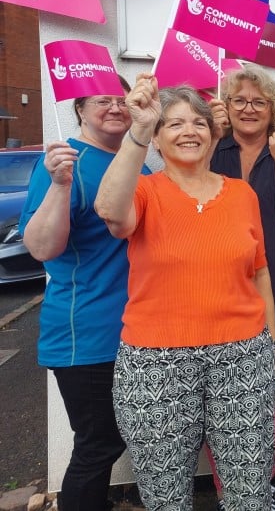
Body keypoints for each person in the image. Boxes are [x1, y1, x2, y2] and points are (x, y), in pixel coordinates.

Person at [94, 79, 275, 511]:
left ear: (215, 134)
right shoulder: (143, 190)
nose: (189, 131)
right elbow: (110, 212)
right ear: (157, 137)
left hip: (242, 357)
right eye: (173, 123)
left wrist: (269, 334)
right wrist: (135, 131)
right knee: (165, 496)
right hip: (155, 362)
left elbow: (260, 267)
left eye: (199, 122)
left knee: (250, 492)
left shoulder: (241, 194)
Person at [20, 84, 147, 511]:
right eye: (101, 100)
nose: (114, 107)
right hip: (86, 333)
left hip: (136, 330)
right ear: (80, 109)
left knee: (120, 438)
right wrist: (58, 186)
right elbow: (40, 248)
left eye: (121, 100)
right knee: (99, 445)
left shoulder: (136, 166)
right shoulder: (65, 162)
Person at [208, 65, 275, 511]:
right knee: (218, 409)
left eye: (259, 101)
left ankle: (257, 487)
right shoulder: (209, 148)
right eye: (240, 100)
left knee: (273, 403)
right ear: (226, 108)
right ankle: (228, 493)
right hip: (215, 295)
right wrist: (210, 136)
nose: (249, 109)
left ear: (274, 111)